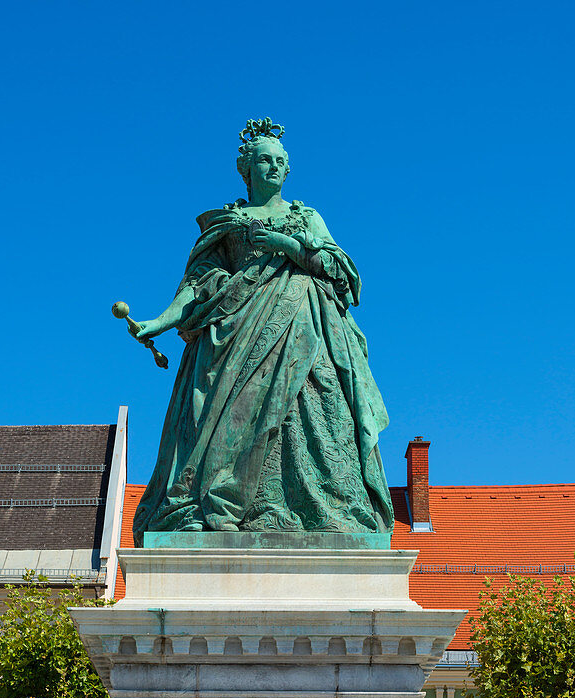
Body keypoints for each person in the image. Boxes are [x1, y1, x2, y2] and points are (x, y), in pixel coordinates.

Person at [130, 118, 394, 541]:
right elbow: (198, 286)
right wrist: (158, 322)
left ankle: (325, 511)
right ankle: (215, 506)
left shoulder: (306, 217)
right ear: (246, 169)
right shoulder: (227, 222)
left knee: (314, 416)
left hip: (303, 326)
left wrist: (286, 245)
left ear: (287, 169)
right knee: (227, 417)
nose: (273, 167)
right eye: (264, 160)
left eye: (279, 161)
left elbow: (340, 274)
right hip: (236, 339)